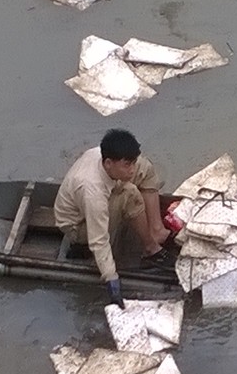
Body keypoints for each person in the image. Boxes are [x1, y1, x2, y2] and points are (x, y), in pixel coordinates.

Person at [53, 129, 174, 307]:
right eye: (127, 165)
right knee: (129, 194)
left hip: (99, 195)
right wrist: (112, 280)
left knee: (145, 167)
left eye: (132, 163)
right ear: (108, 163)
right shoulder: (92, 191)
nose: (132, 170)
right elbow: (99, 240)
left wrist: (133, 166)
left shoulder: (102, 155)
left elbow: (134, 167)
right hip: (78, 224)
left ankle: (156, 230)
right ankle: (150, 248)